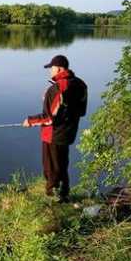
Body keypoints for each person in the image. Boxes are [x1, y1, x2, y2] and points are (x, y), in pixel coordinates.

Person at [22, 55, 88, 203]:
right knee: (62, 163)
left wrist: (30, 121)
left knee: (51, 166)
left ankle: (53, 197)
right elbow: (81, 111)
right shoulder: (81, 85)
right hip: (68, 132)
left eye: (51, 68)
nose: (50, 72)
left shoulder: (58, 87)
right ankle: (64, 193)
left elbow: (49, 117)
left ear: (58, 68)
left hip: (53, 134)